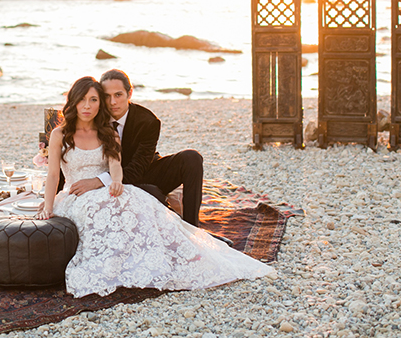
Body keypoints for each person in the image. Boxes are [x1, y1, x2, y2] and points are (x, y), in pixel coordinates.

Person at [37, 76, 272, 298]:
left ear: (129, 94)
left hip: (127, 179)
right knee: (112, 211)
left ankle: (188, 239)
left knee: (146, 202)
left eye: (114, 95)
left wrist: (111, 181)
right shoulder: (61, 133)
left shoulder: (136, 124)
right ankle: (115, 262)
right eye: (101, 97)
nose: (110, 102)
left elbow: (123, 166)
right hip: (81, 192)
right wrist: (49, 204)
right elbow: (53, 173)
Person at [68, 69, 203, 226]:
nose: (112, 102)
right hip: (109, 177)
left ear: (129, 94)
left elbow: (138, 169)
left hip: (143, 172)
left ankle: (192, 226)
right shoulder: (92, 117)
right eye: (106, 96)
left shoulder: (148, 121)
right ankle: (174, 223)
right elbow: (70, 152)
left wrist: (97, 181)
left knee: (191, 158)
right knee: (153, 194)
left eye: (118, 95)